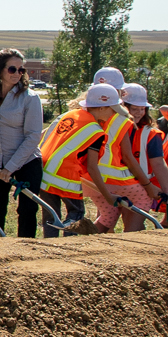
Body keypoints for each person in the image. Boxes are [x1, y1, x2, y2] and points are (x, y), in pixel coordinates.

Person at [0, 49, 46, 238]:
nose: (17, 74)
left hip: (26, 162)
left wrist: (10, 167)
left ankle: (24, 252)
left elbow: (33, 137)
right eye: (12, 69)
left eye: (21, 70)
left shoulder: (30, 98)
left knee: (27, 210)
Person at [38, 83, 120, 235]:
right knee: (76, 214)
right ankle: (70, 248)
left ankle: (48, 249)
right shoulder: (94, 131)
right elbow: (92, 167)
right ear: (101, 108)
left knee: (50, 216)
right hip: (65, 176)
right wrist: (108, 196)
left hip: (43, 171)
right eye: (112, 109)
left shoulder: (69, 115)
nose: (114, 113)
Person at [86, 81, 158, 232]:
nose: (138, 112)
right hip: (111, 178)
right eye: (134, 108)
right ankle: (130, 239)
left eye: (142, 109)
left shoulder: (83, 114)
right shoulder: (121, 121)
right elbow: (128, 157)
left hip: (88, 178)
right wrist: (147, 185)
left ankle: (89, 241)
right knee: (144, 198)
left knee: (109, 214)